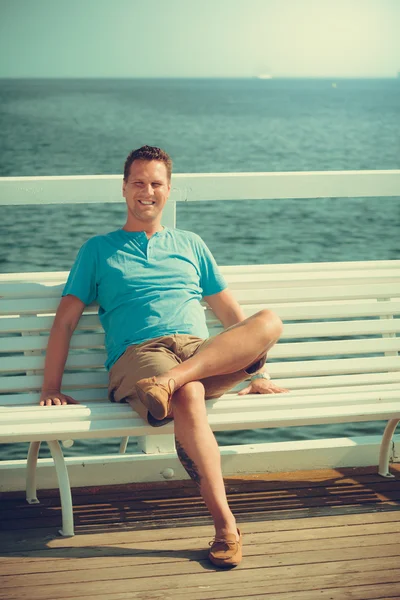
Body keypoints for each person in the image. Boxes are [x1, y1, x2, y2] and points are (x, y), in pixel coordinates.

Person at [40, 145, 287, 568]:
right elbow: (64, 322)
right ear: (123, 189)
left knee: (269, 321)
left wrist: (254, 375)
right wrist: (51, 388)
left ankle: (171, 382)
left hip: (196, 351)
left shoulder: (190, 244)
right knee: (190, 394)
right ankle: (226, 526)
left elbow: (231, 317)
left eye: (156, 183)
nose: (147, 191)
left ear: (169, 190)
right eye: (138, 182)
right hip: (140, 355)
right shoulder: (98, 250)